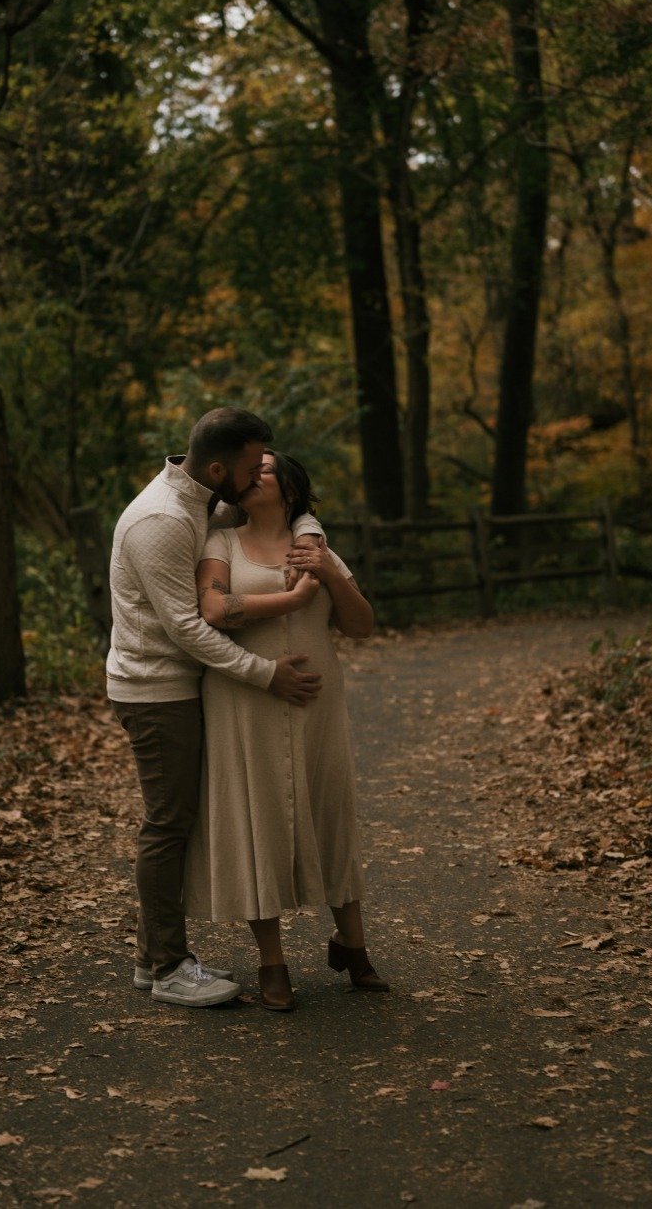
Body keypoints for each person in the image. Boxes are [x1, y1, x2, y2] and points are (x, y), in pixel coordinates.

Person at [107, 408, 326, 1008]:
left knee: (178, 821)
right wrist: (266, 674)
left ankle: (152, 959)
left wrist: (309, 531)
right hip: (156, 688)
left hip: (185, 685)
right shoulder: (161, 520)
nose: (258, 477)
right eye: (252, 467)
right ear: (217, 469)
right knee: (167, 824)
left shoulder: (208, 501)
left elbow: (286, 508)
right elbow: (185, 627)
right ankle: (169, 968)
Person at [185, 450, 389, 1011]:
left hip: (317, 701)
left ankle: (353, 946)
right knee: (260, 817)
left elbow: (361, 626)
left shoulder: (316, 549)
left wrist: (329, 575)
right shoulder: (221, 542)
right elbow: (213, 610)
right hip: (244, 696)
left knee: (329, 809)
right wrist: (296, 598)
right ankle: (272, 962)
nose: (253, 473)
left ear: (291, 490)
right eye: (250, 468)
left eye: (265, 469)